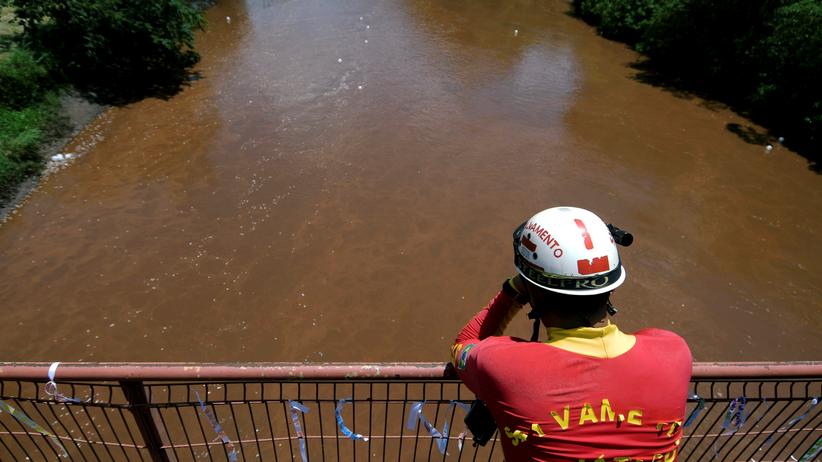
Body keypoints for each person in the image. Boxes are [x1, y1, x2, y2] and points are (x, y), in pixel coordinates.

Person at [451, 206, 692, 462]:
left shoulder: (506, 366)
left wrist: (514, 289)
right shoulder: (673, 353)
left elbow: (464, 344)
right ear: (611, 285)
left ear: (533, 291)